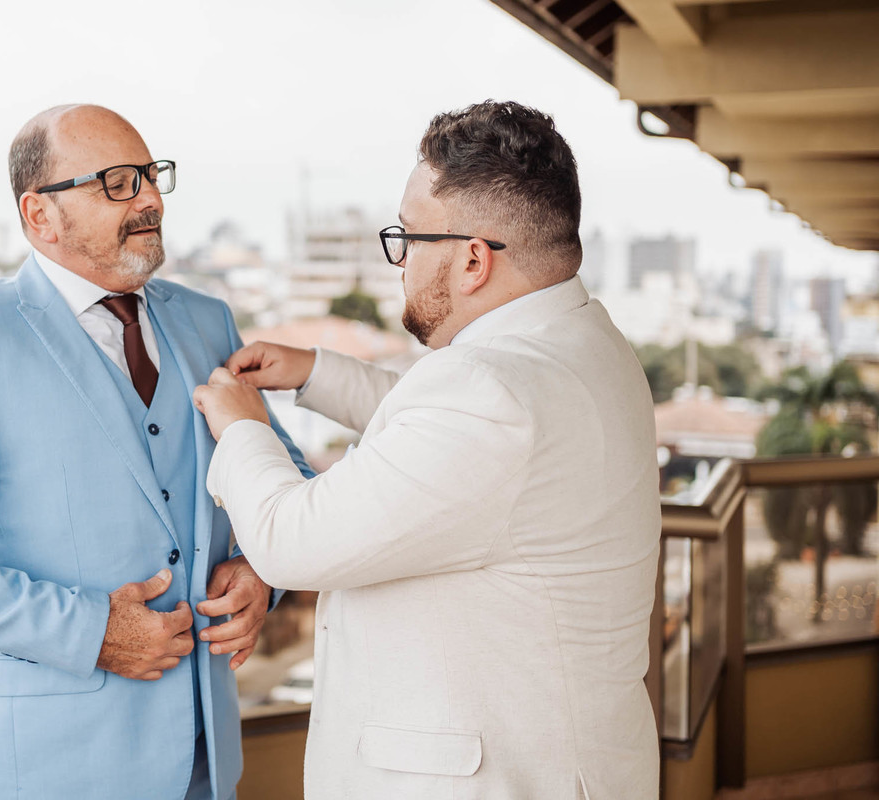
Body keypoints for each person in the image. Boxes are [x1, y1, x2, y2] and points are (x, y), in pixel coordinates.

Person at [193, 101, 661, 799]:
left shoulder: (491, 393)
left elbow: (291, 542)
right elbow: (450, 450)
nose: (401, 260)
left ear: (473, 259)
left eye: (408, 237)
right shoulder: (584, 341)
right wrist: (316, 373)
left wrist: (241, 427)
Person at [0, 104, 311, 800]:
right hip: (47, 766)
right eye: (118, 183)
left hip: (207, 760)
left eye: (152, 176)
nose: (151, 199)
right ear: (40, 215)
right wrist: (90, 631)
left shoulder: (206, 319)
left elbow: (285, 472)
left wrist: (260, 571)